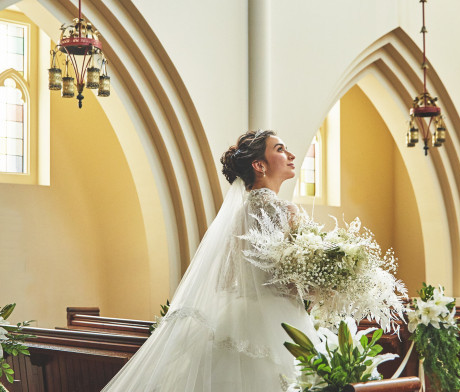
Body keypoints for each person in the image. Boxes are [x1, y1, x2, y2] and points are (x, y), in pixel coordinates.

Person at [101, 130, 316, 392]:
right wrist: (320, 285)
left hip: (239, 317)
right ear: (259, 165)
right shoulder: (288, 211)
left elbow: (225, 280)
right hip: (279, 322)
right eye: (280, 149)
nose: (291, 154)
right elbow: (291, 280)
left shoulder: (238, 216)